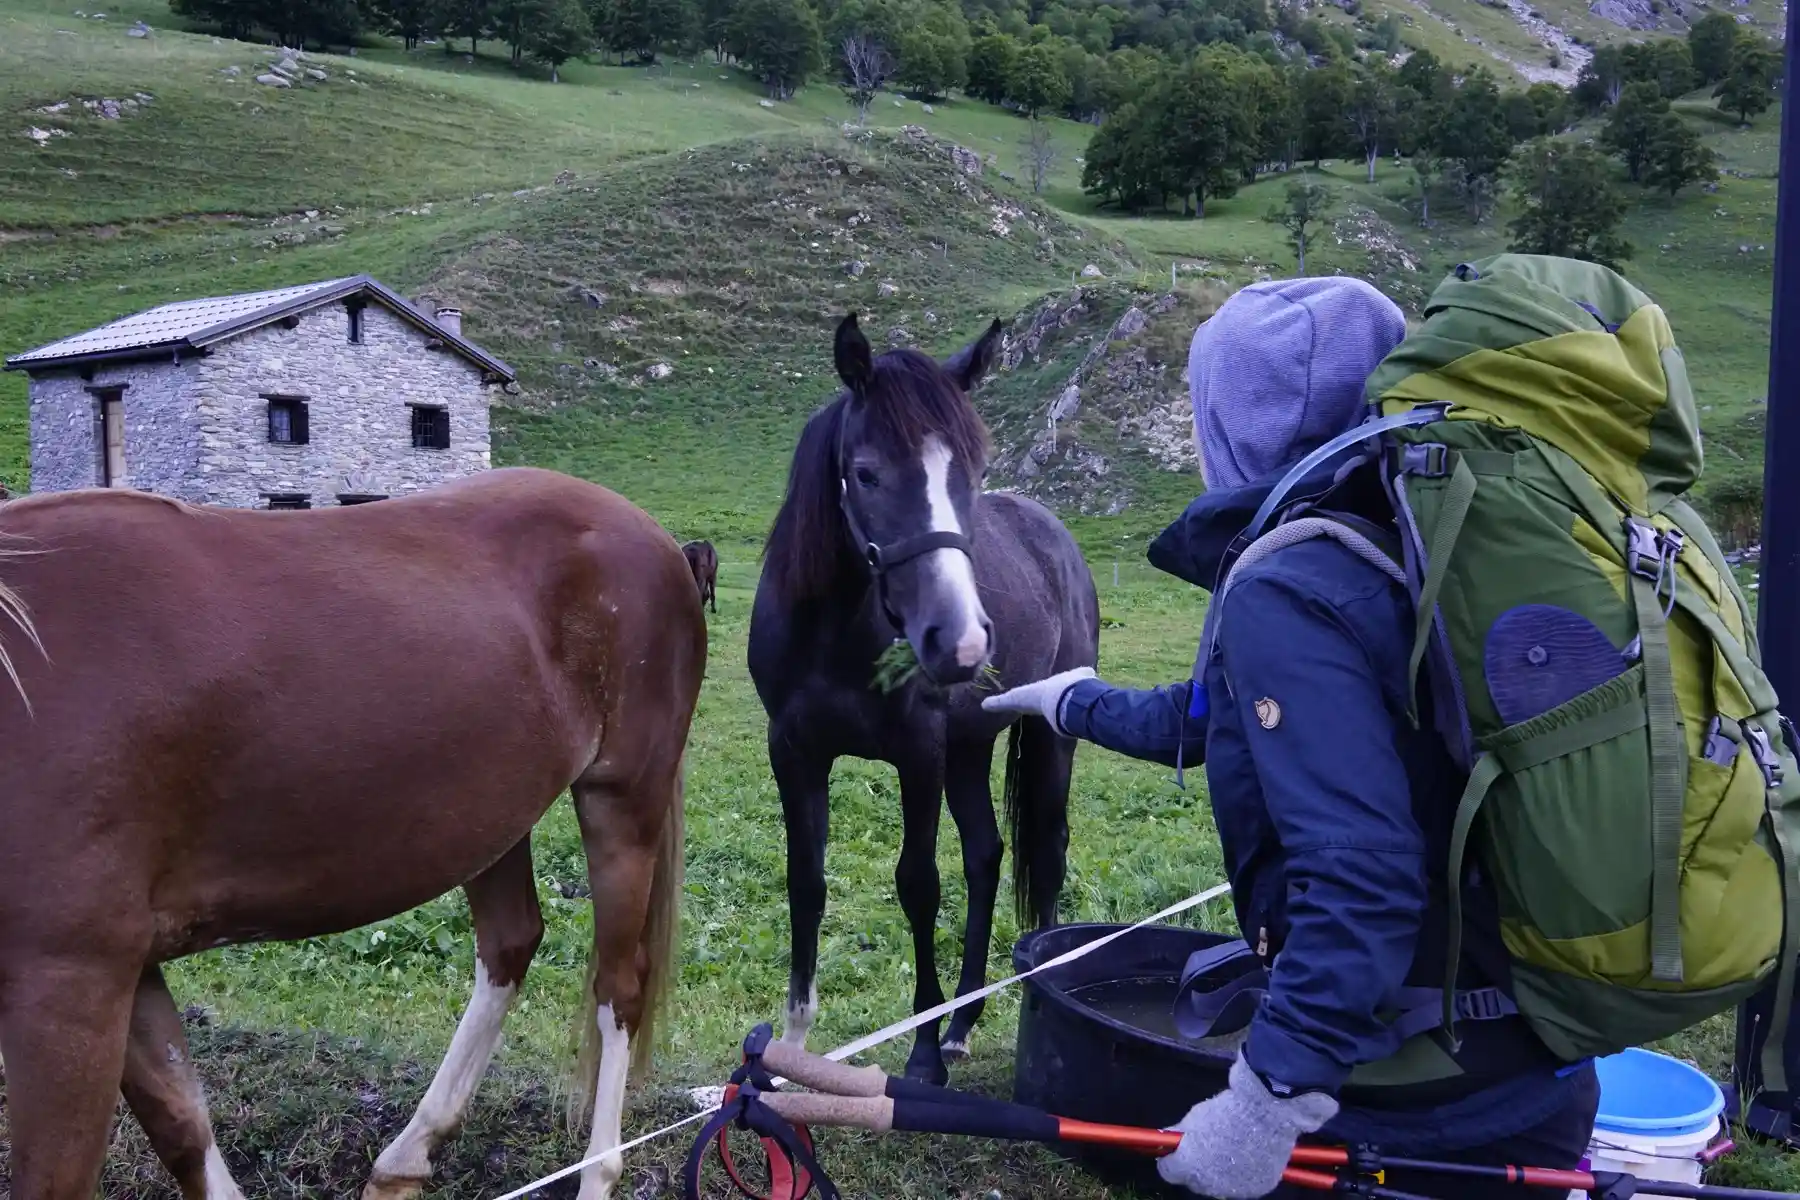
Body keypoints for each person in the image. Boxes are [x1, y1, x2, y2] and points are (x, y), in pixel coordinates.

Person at [981, 276, 1599, 1200]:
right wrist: (1077, 702)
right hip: (1540, 1044)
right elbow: (1230, 718)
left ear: (1239, 424)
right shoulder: (1420, 539)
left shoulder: (1295, 581)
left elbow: (1363, 878)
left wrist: (1269, 1101)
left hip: (1426, 1091)